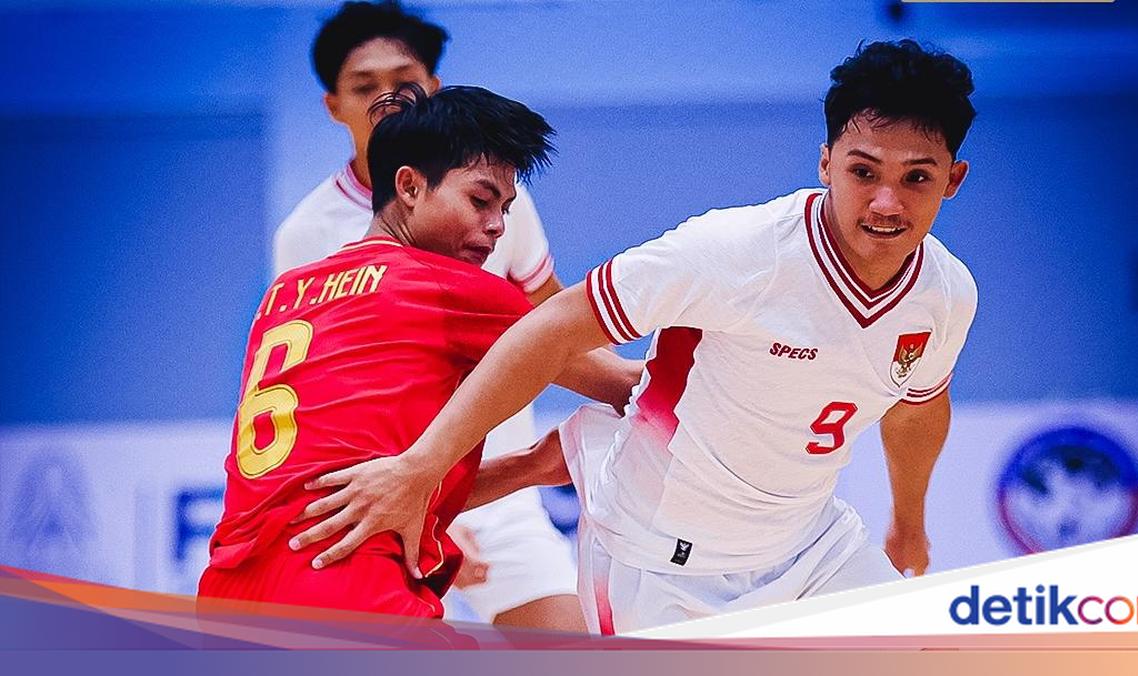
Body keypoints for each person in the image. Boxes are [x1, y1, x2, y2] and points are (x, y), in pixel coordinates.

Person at [289, 39, 980, 634]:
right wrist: (423, 468)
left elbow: (917, 406)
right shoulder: (733, 251)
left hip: (813, 544)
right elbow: (550, 328)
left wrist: (909, 523)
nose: (887, 202)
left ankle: (567, 454)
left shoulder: (946, 295)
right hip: (664, 563)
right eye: (865, 171)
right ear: (826, 161)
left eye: (916, 178)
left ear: (953, 180)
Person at [199, 84, 637, 619]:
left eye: (505, 207)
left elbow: (364, 488)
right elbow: (629, 388)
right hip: (347, 591)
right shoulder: (450, 287)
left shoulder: (284, 295)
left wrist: (528, 467)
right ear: (409, 186)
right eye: (480, 200)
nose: (498, 226)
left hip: (230, 598)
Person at [273, 1, 585, 630]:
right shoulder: (308, 237)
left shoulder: (497, 195)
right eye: (365, 86)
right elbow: (317, 401)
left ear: (433, 87)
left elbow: (553, 321)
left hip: (497, 486)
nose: (388, 97)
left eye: (404, 80)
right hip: (380, 493)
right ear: (334, 105)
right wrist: (421, 502)